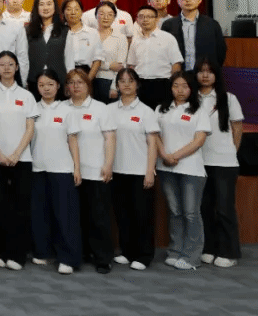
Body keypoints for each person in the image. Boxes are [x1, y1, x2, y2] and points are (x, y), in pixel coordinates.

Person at [0, 51, 38, 271]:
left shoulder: (26, 95)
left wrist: (16, 153)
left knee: (20, 207)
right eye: (2, 64)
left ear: (17, 67)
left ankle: (18, 254)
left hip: (21, 159)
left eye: (10, 64)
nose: (6, 68)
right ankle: (0, 252)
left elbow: (30, 128)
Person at [157, 71, 211, 271]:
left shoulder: (199, 110)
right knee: (175, 211)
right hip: (165, 167)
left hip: (191, 168)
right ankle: (175, 250)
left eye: (185, 86)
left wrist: (175, 156)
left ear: (191, 89)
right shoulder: (161, 109)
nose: (180, 90)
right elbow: (154, 136)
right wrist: (165, 155)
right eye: (176, 86)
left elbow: (199, 140)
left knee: (190, 213)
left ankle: (192, 256)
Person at [30, 69, 82, 274]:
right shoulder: (32, 109)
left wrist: (76, 168)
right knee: (40, 213)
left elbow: (73, 140)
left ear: (58, 86)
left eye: (50, 84)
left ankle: (68, 258)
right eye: (42, 85)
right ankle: (43, 252)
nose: (46, 88)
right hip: (37, 167)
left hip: (62, 168)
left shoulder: (67, 110)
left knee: (65, 214)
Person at [66, 69, 116, 274]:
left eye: (80, 82)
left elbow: (110, 138)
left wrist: (108, 164)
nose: (75, 86)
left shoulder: (100, 108)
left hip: (96, 170)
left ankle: (103, 258)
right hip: (70, 171)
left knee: (98, 216)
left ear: (88, 85)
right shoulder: (62, 107)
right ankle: (81, 253)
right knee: (76, 216)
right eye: (71, 82)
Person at [109, 68, 159, 271]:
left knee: (142, 215)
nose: (126, 84)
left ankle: (144, 255)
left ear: (137, 84)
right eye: (122, 81)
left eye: (130, 81)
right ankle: (127, 251)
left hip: (139, 171)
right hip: (117, 169)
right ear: (117, 85)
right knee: (123, 214)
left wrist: (150, 170)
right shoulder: (109, 110)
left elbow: (153, 143)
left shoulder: (146, 111)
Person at [195, 57, 243, 268]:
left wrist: (231, 151)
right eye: (201, 71)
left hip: (224, 162)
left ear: (216, 75)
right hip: (198, 162)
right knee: (204, 207)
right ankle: (209, 248)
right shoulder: (191, 98)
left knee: (224, 209)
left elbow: (237, 128)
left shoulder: (228, 98)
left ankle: (228, 251)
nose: (205, 75)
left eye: (210, 71)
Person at [161, 0, 227, 72]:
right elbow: (162, 51)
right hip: (177, 74)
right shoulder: (168, 24)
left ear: (199, 0)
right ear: (177, 0)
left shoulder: (212, 24)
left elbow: (221, 50)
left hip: (204, 73)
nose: (188, 0)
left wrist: (211, 70)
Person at [128, 5, 184, 109]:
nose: (145, 20)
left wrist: (173, 85)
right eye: (141, 17)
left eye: (149, 16)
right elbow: (132, 65)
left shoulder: (168, 38)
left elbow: (176, 64)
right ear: (137, 20)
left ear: (157, 19)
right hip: (141, 85)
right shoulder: (135, 40)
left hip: (163, 84)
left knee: (162, 115)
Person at [91, 1, 129, 104]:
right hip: (90, 80)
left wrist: (114, 87)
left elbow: (120, 66)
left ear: (114, 17)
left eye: (110, 14)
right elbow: (87, 62)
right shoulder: (89, 35)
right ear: (96, 15)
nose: (106, 17)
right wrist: (108, 65)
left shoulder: (120, 37)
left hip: (109, 82)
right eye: (102, 14)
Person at [25, 0, 65, 87]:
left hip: (59, 82)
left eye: (49, 4)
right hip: (34, 81)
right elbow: (24, 57)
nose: (45, 8)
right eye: (41, 4)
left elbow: (69, 59)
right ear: (36, 8)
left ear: (55, 7)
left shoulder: (65, 30)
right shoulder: (27, 30)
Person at [61, 0, 102, 79]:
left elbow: (97, 59)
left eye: (76, 9)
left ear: (82, 12)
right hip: (63, 73)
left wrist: (88, 80)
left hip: (86, 73)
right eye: (69, 9)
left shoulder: (92, 32)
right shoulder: (59, 33)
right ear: (63, 12)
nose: (73, 12)